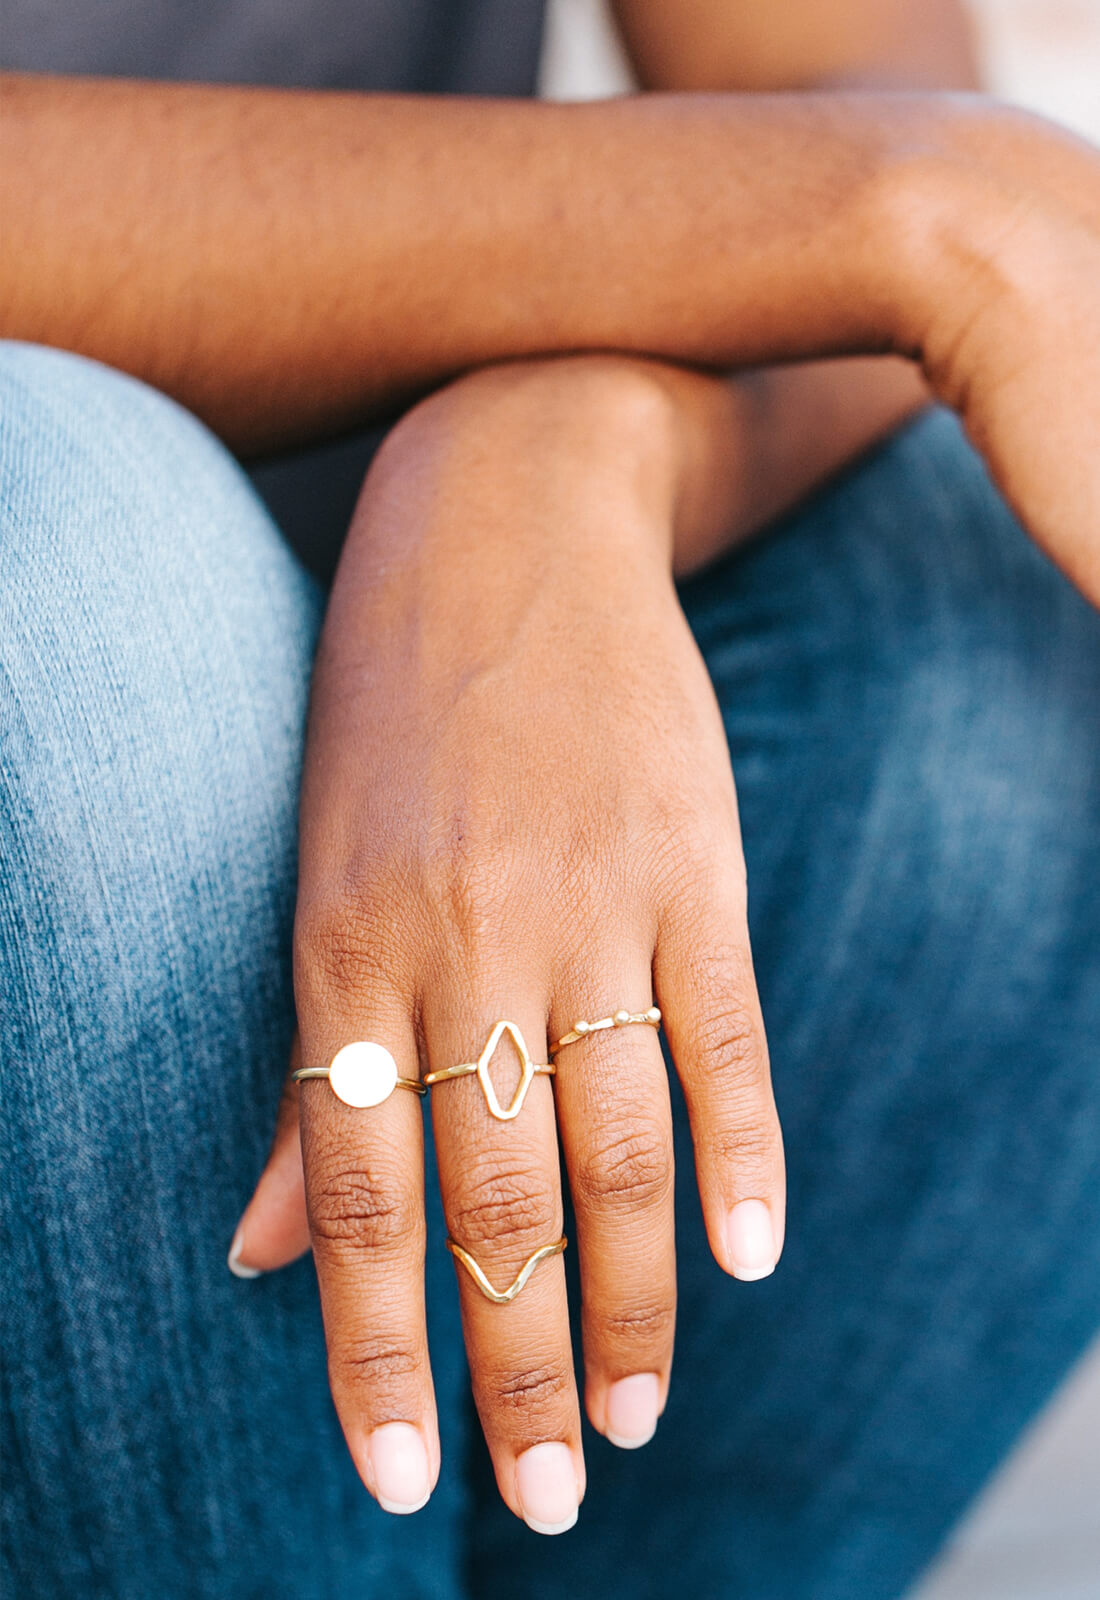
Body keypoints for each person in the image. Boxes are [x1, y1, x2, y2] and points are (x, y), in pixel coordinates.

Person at [1, 3, 1098, 1596]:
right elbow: (893, 175)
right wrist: (909, 206)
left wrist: (556, 459)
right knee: (72, 606)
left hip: (439, 519)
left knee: (999, 595)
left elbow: (845, 89)